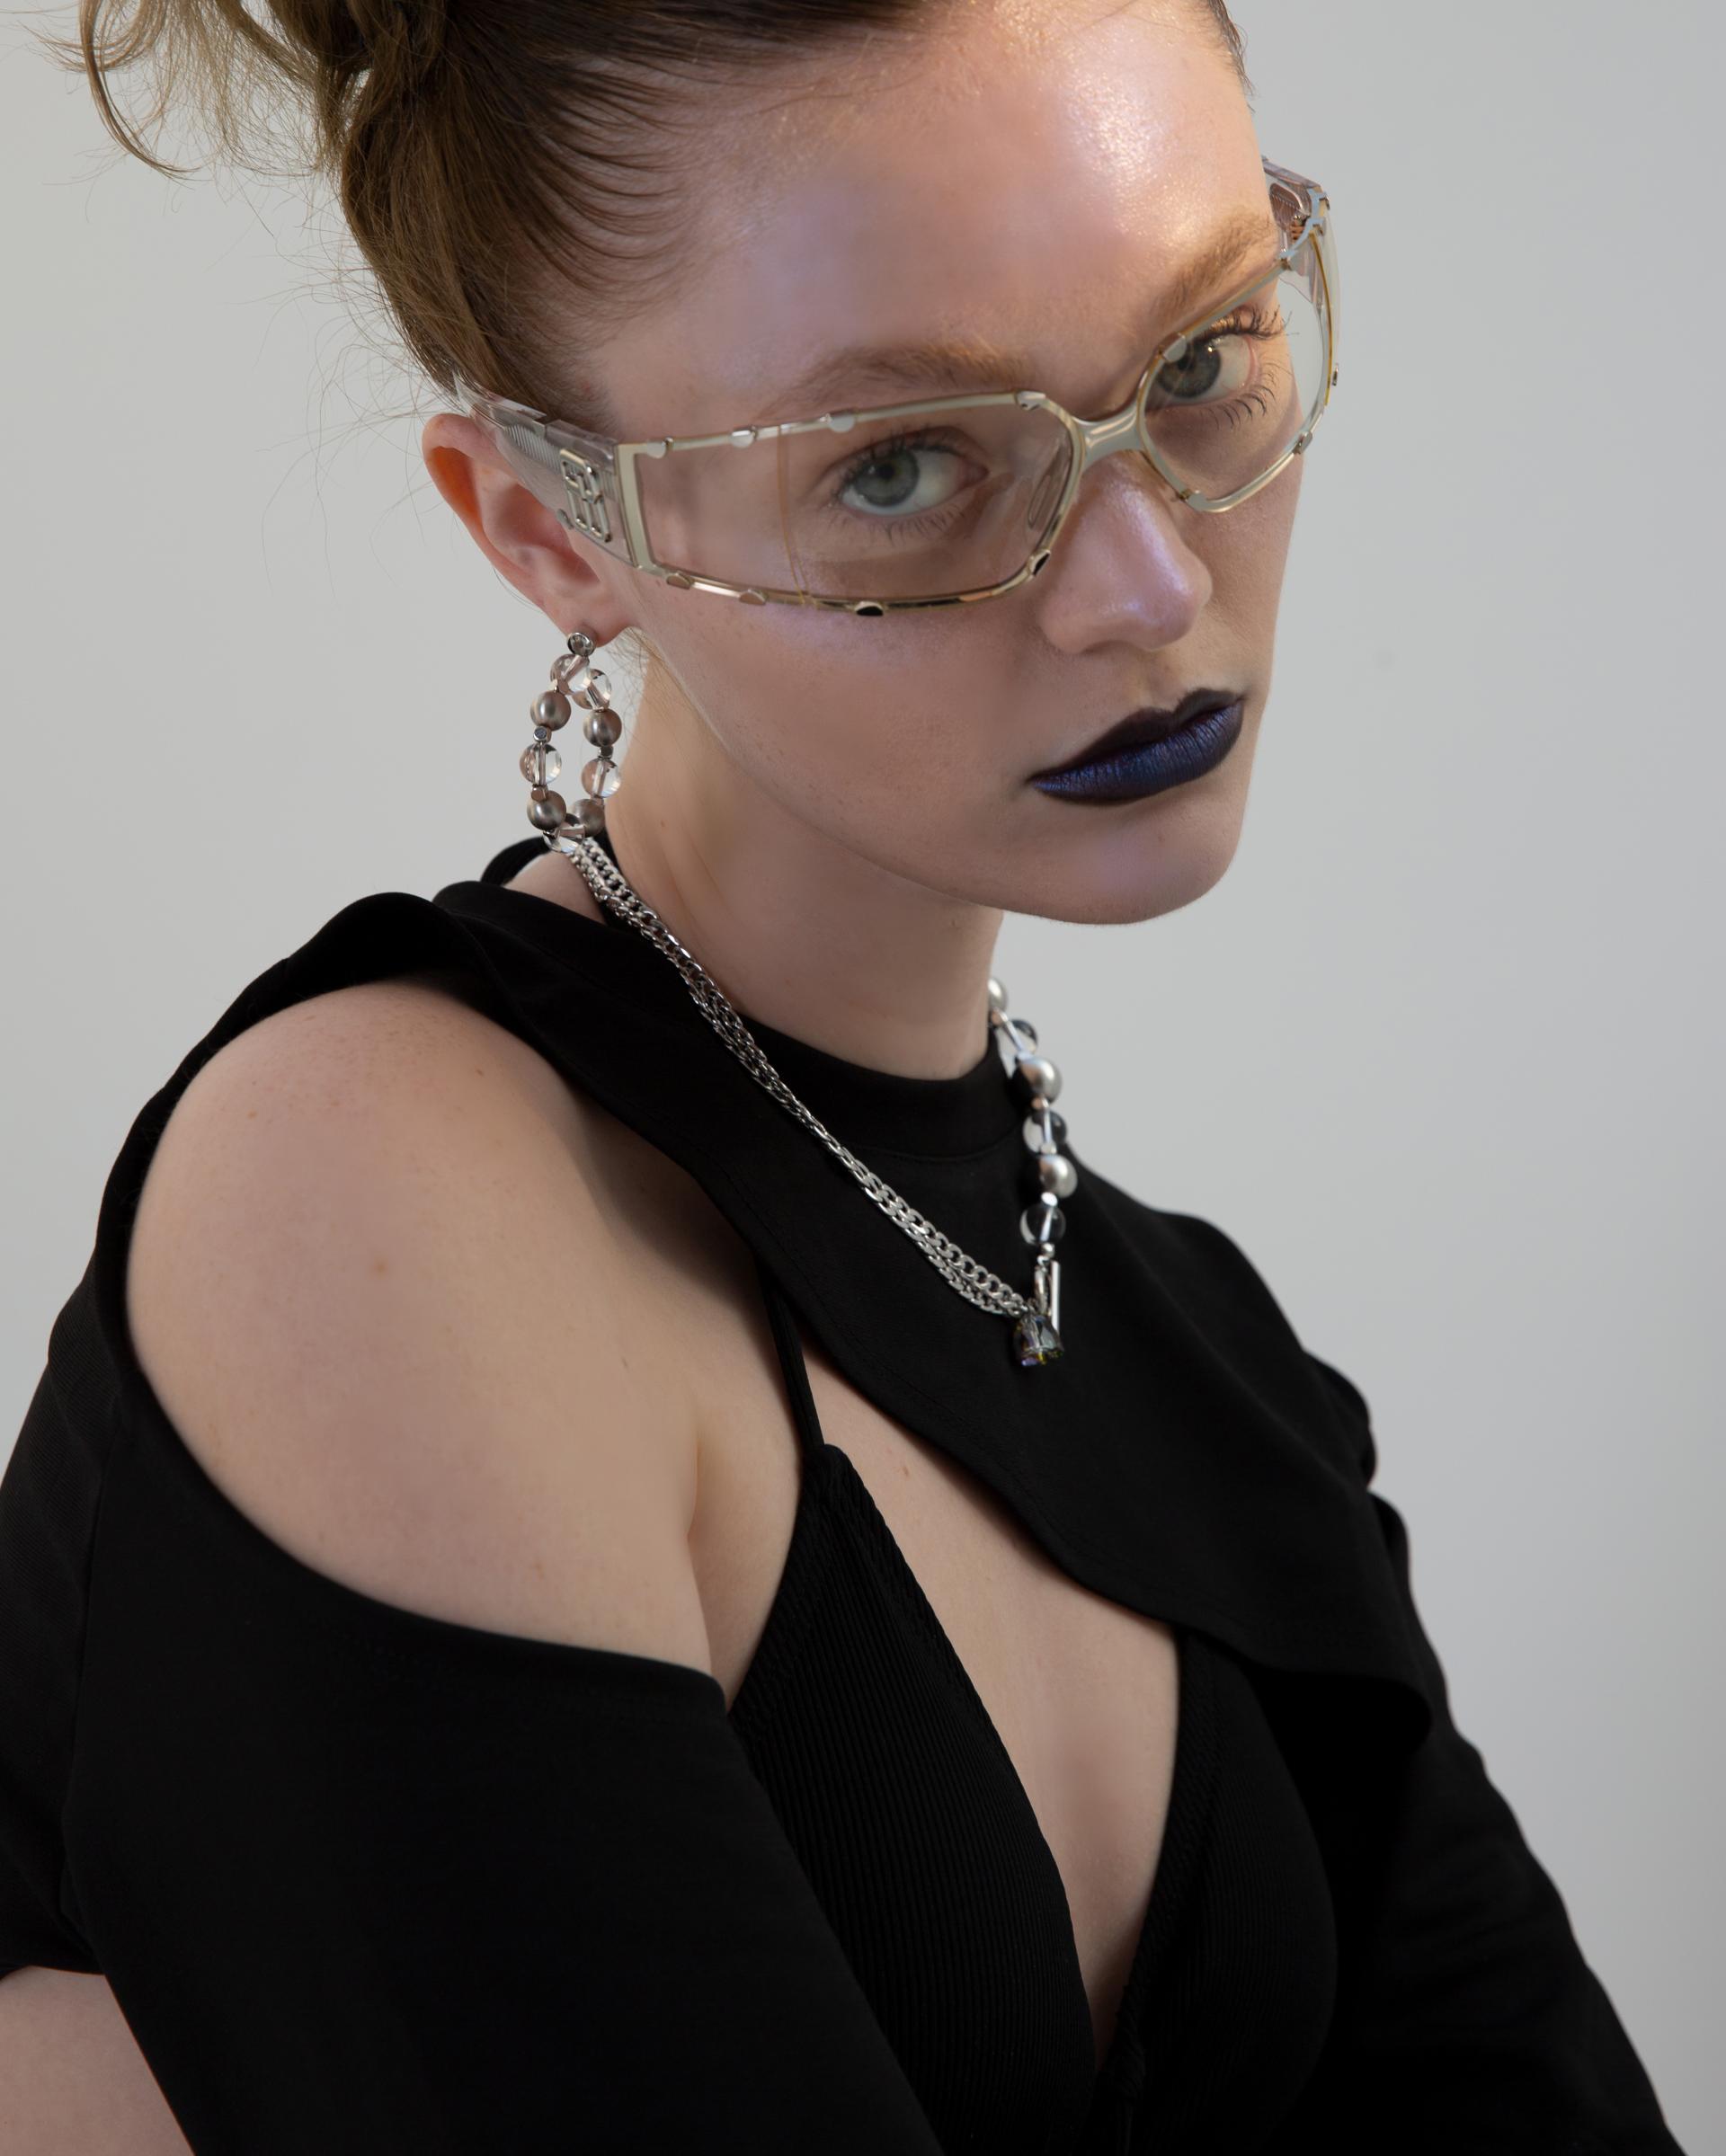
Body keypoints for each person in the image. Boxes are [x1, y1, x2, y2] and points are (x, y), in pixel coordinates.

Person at [0, 0, 1685, 2150]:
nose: (1150, 579)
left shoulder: (1216, 1374)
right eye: (898, 467)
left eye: (1201, 358)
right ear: (547, 531)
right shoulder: (385, 1196)